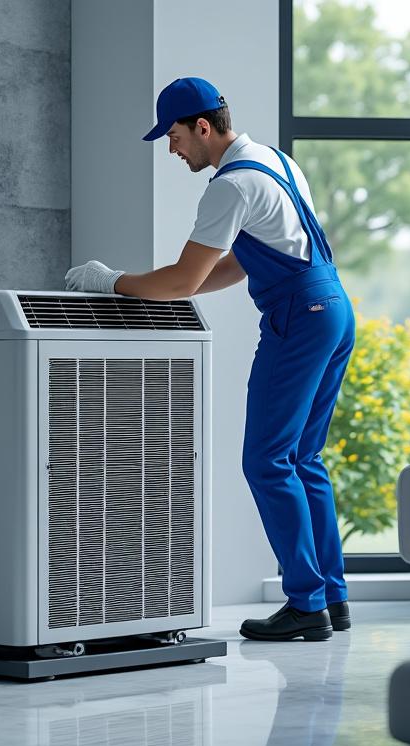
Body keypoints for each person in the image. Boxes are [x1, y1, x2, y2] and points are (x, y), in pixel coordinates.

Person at [65, 77, 356, 642]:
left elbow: (181, 276)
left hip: (299, 316)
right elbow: (241, 264)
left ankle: (305, 604)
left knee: (267, 462)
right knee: (303, 458)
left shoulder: (230, 185)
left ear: (202, 127)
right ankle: (332, 598)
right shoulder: (275, 161)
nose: (172, 150)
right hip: (334, 308)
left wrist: (111, 282)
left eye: (173, 137)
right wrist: (183, 287)